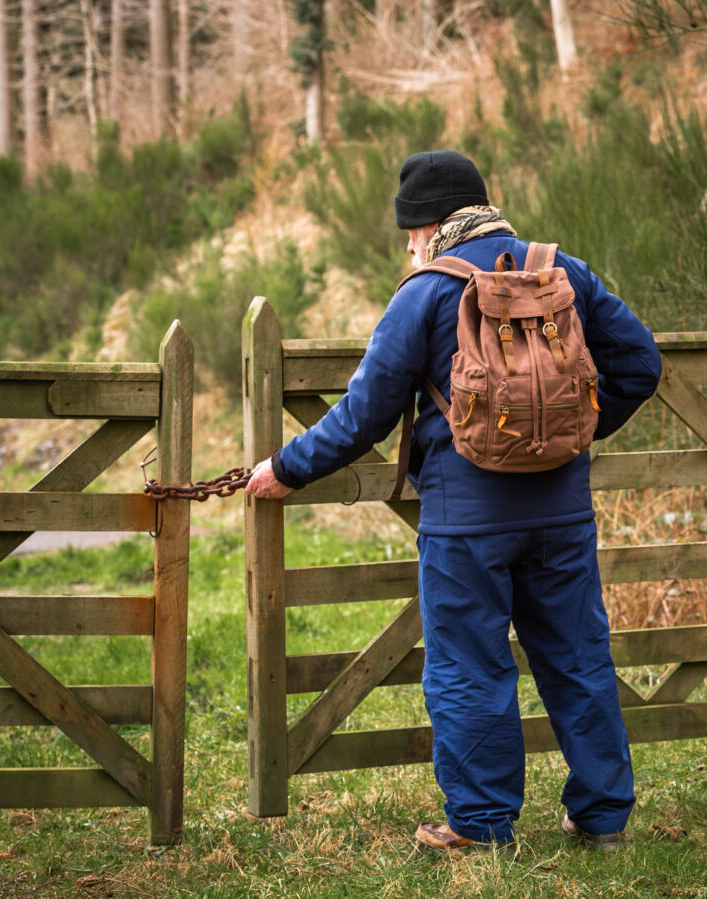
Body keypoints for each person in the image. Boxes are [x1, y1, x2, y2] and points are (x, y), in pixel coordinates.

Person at [245, 150, 662, 853]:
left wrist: (287, 467)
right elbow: (641, 364)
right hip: (561, 511)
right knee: (578, 659)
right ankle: (602, 819)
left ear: (431, 225)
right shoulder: (563, 271)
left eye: (410, 232)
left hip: (467, 522)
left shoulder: (426, 291)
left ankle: (481, 824)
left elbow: (364, 413)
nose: (408, 246)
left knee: (470, 668)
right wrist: (567, 436)